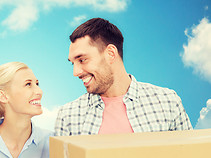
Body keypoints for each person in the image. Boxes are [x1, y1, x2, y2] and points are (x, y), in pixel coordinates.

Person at [55, 17, 192, 136]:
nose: (76, 72)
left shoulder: (167, 102)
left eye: (82, 60)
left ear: (110, 53)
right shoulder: (68, 116)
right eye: (73, 63)